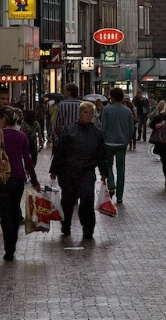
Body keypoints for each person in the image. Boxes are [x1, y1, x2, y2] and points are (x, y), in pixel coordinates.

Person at [0, 105, 40, 261]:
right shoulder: (21, 136)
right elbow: (27, 160)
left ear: (4, 119)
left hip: (1, 179)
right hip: (18, 179)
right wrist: (35, 181)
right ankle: (12, 244)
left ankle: (9, 247)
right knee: (15, 211)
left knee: (5, 213)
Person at [50, 101, 108, 239]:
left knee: (87, 198)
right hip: (68, 171)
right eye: (85, 112)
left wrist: (104, 172)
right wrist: (54, 169)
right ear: (80, 113)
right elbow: (60, 151)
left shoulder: (96, 133)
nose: (88, 115)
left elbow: (101, 155)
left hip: (87, 171)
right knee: (68, 200)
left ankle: (88, 228)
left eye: (90, 113)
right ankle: (65, 225)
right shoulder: (70, 130)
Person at [101, 87, 134, 204]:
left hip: (108, 142)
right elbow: (131, 129)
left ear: (112, 97)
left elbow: (103, 128)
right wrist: (127, 140)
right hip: (122, 142)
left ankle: (111, 185)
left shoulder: (106, 110)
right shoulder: (127, 111)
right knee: (121, 169)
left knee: (108, 165)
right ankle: (120, 195)